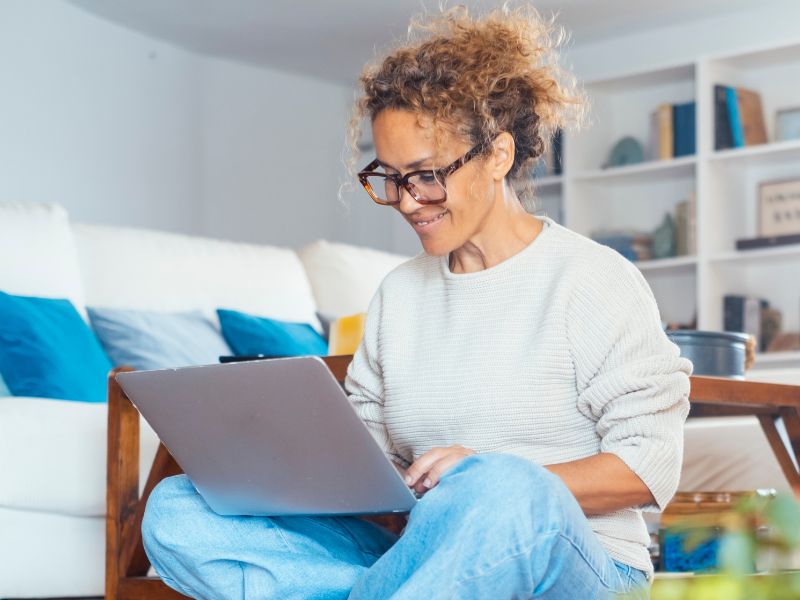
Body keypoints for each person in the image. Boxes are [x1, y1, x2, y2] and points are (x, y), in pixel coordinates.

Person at [141, 5, 693, 599]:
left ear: (498, 156)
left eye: (427, 175)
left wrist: (479, 479)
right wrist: (299, 465)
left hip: (581, 562)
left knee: (504, 488)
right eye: (391, 177)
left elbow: (646, 468)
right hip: (419, 554)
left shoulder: (593, 279)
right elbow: (369, 445)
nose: (407, 201)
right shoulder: (399, 294)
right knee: (179, 509)